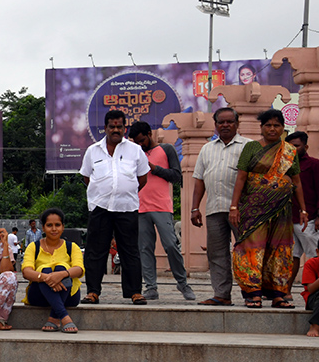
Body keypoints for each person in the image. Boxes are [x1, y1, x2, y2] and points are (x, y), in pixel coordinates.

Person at [229, 108, 307, 308]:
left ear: (283, 128)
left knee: (279, 250)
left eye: (277, 125)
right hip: (253, 209)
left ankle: (278, 293)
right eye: (268, 125)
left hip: (281, 209)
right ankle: (252, 292)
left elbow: (296, 181)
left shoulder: (289, 151)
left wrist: (303, 210)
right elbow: (241, 178)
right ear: (261, 128)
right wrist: (234, 207)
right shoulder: (251, 148)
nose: (272, 129)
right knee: (253, 248)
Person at [80, 109, 149, 304]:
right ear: (105, 128)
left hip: (126, 207)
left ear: (124, 128)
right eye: (112, 127)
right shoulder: (92, 151)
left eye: (119, 126)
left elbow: (142, 179)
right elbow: (86, 177)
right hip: (100, 207)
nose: (116, 130)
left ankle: (135, 292)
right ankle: (93, 291)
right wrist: (104, 191)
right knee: (95, 251)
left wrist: (123, 191)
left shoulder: (135, 150)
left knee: (130, 251)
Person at [128, 121, 196, 302]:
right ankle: (151, 287)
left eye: (142, 140)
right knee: (145, 249)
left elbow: (176, 176)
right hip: (140, 208)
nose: (140, 144)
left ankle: (182, 283)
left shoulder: (166, 149)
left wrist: (154, 168)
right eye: (136, 142)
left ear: (149, 134)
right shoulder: (135, 154)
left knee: (171, 245)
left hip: (162, 207)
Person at [189, 107, 248, 306]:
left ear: (237, 124)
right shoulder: (207, 148)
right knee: (216, 253)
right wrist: (195, 208)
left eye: (229, 121)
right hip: (214, 209)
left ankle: (252, 294)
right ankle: (222, 294)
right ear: (215, 125)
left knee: (248, 251)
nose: (225, 125)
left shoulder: (248, 146)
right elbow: (199, 180)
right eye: (221, 122)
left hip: (242, 211)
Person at [21, 207, 84, 333]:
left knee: (62, 268)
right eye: (49, 225)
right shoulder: (34, 247)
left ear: (63, 227)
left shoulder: (72, 247)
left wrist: (62, 274)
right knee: (45, 269)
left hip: (69, 296)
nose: (54, 229)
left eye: (57, 225)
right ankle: (64, 317)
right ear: (43, 228)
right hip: (38, 295)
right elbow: (26, 271)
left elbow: (79, 269)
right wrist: (47, 277)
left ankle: (54, 317)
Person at [286, 131, 319, 297]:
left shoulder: (314, 165)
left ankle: (315, 292)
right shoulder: (283, 166)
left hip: (309, 219)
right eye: (290, 145)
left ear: (305, 147)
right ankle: (286, 291)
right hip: (287, 220)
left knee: (315, 255)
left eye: (296, 145)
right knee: (292, 256)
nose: (293, 148)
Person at [299, 252, 319, 336]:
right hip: (314, 297)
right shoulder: (311, 263)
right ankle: (315, 325)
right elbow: (311, 289)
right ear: (318, 252)